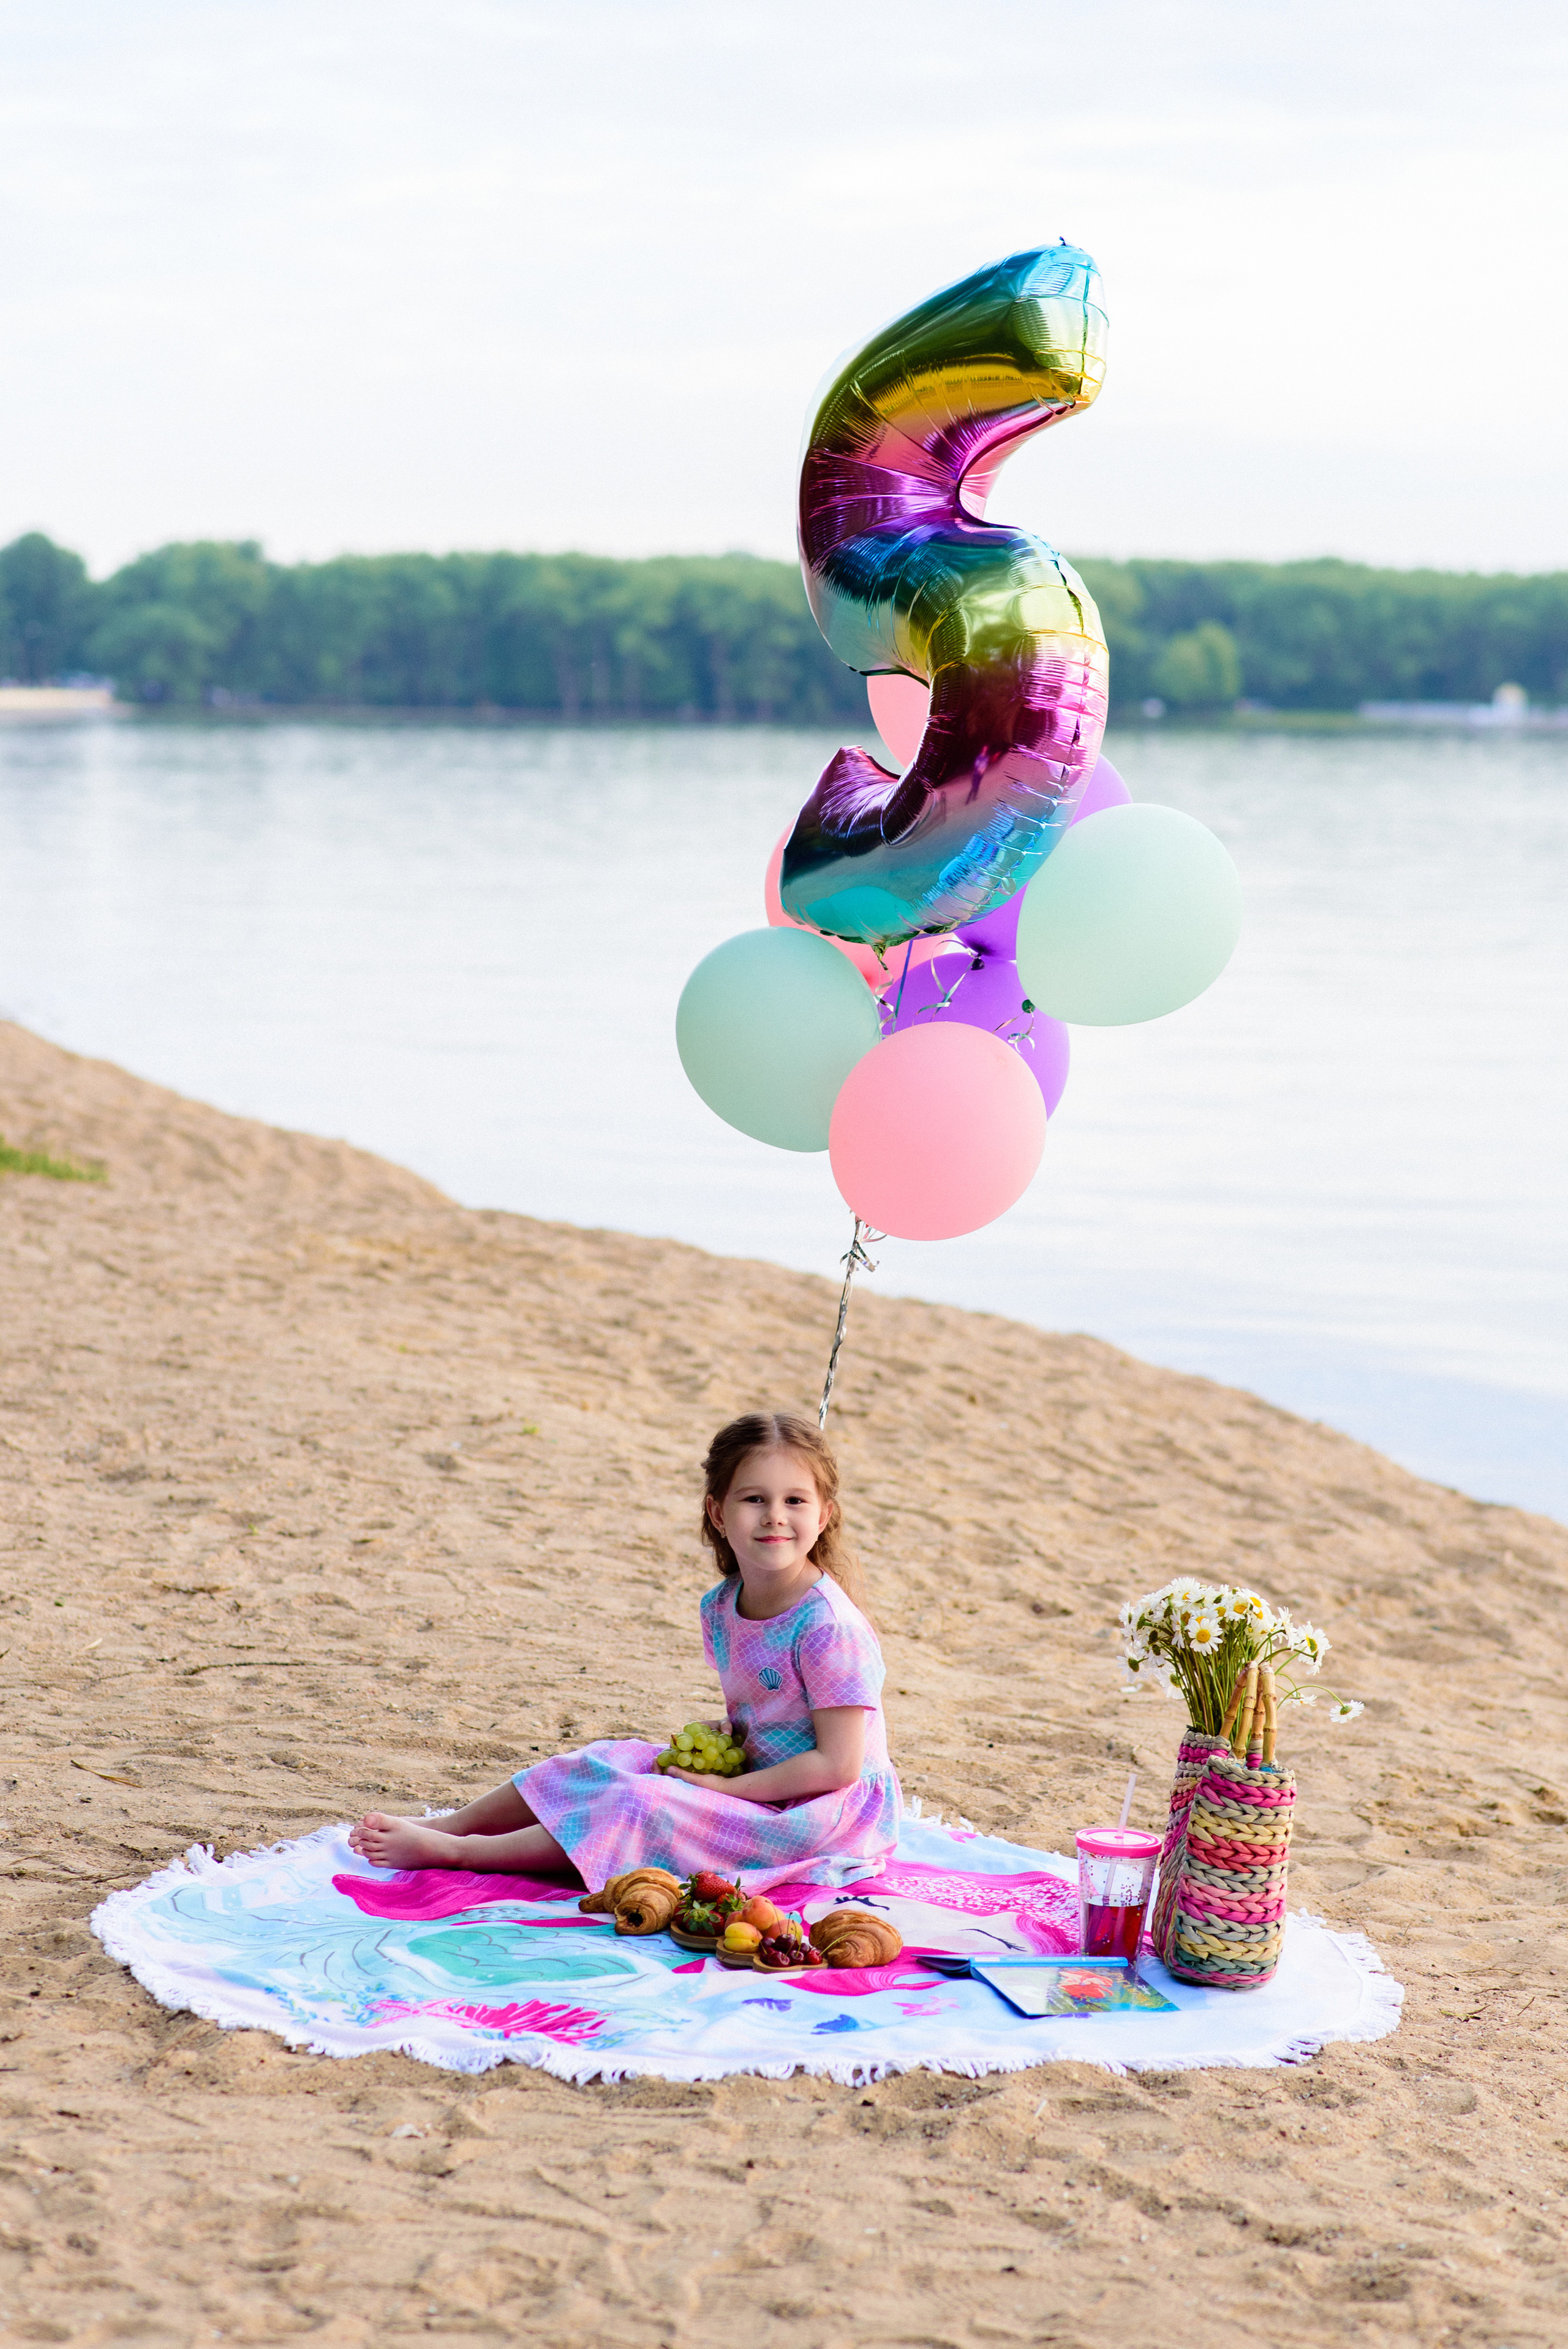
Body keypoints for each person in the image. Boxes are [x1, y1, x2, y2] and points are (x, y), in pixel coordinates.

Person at [347, 1411, 902, 1890]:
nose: (775, 1515)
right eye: (754, 1499)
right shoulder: (722, 1605)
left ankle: (459, 1855)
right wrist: (716, 1748)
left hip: (821, 1812)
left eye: (795, 1500)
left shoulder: (829, 1628)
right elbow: (767, 1709)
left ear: (823, 1515)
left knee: (638, 1804)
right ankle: (453, 1826)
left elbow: (839, 1763)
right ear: (718, 1513)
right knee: (601, 1763)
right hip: (765, 1775)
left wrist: (728, 1786)